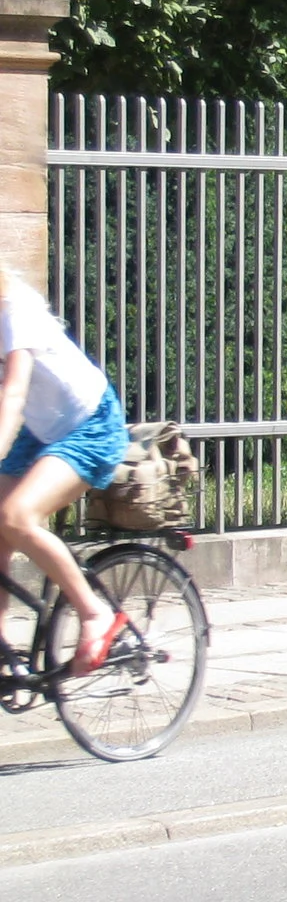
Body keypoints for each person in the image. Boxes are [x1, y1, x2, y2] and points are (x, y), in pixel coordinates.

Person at [0, 266, 132, 674]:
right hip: (42, 430)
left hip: (89, 425)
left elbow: (15, 389)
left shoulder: (14, 309)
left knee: (15, 516)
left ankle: (95, 614)